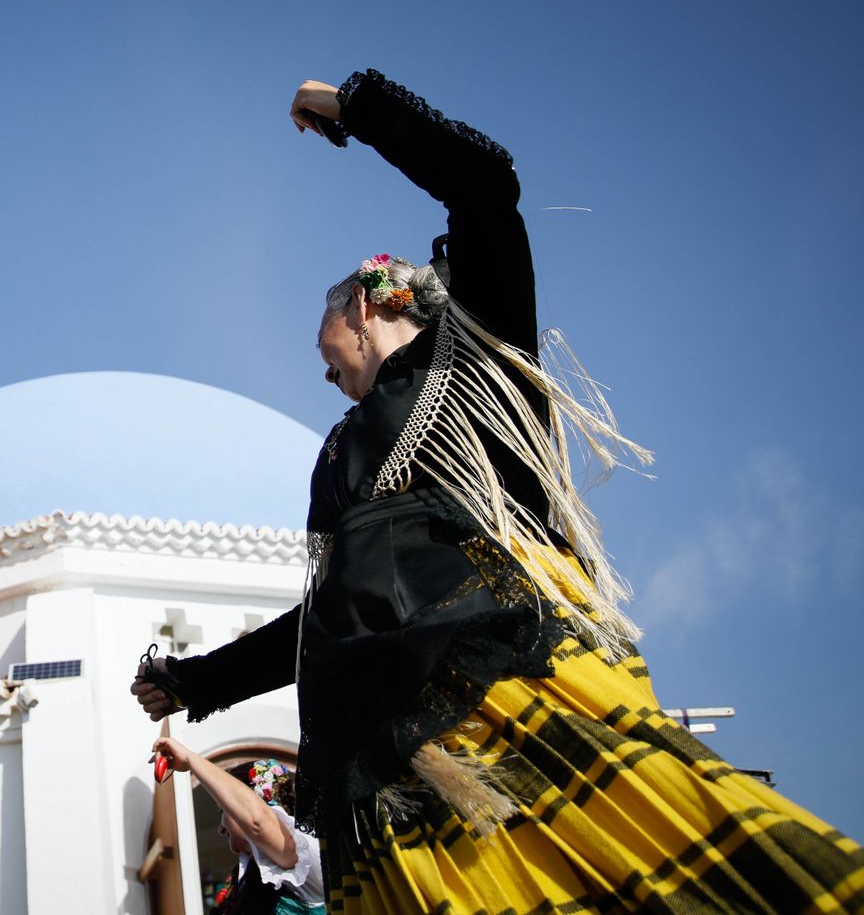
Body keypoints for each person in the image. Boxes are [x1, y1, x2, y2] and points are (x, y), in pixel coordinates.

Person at [132, 70, 864, 911]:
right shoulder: (340, 453)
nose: (321, 370)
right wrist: (199, 682)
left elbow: (483, 182)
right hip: (378, 763)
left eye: (323, 343)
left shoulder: (479, 347)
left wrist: (351, 107)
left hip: (497, 692)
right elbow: (343, 613)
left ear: (364, 306)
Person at [151, 738, 324, 915]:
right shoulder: (239, 881)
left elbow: (259, 822)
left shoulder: (305, 856)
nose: (220, 828)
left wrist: (190, 759)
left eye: (223, 811)